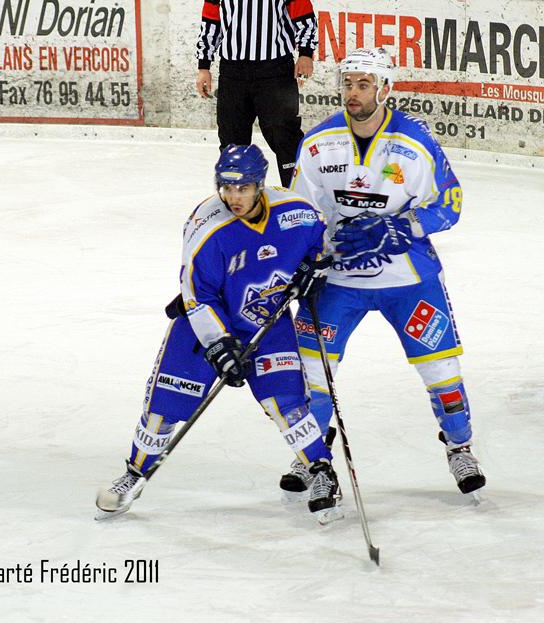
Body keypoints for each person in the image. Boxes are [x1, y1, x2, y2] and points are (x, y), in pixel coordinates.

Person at [96, 144, 340, 522]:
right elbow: (197, 295)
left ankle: (322, 472)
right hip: (203, 327)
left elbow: (320, 242)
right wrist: (219, 345)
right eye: (227, 188)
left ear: (260, 185)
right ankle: (134, 474)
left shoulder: (296, 213)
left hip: (266, 321)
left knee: (287, 403)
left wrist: (316, 267)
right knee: (164, 409)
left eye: (243, 188)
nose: (233, 197)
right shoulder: (208, 226)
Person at [282, 47, 486, 498]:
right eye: (348, 84)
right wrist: (301, 262)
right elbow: (300, 213)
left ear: (385, 88)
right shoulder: (318, 143)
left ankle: (459, 446)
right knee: (309, 371)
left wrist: (399, 227)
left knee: (442, 371)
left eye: (363, 85)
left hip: (407, 279)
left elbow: (449, 204)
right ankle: (312, 456)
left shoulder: (414, 141)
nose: (353, 94)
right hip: (338, 279)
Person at [195, 0, 317, 187]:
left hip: (275, 72)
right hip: (233, 74)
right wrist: (204, 66)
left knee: (285, 138)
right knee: (231, 143)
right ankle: (236, 200)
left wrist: (305, 53)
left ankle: (299, 198)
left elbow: (304, 16)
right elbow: (211, 22)